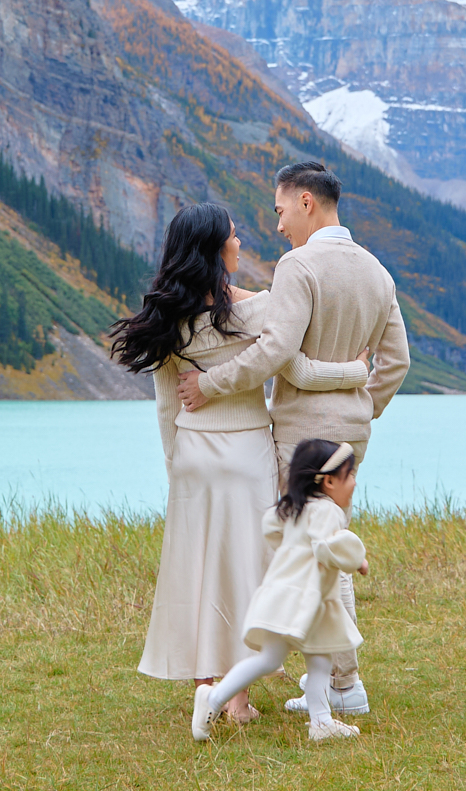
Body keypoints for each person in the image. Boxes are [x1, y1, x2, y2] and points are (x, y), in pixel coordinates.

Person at [111, 203, 370, 723]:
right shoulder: (258, 311)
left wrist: (175, 466)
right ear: (214, 249)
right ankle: (239, 702)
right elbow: (290, 364)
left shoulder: (166, 319)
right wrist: (354, 371)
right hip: (247, 445)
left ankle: (205, 686)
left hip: (192, 453)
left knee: (198, 570)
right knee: (244, 569)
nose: (240, 242)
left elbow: (167, 404)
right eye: (232, 236)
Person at [178, 161, 407, 717]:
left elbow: (276, 351)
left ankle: (344, 685)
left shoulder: (298, 266)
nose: (277, 225)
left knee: (312, 550)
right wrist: (360, 406)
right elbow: (397, 361)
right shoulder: (378, 272)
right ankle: (327, 682)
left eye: (281, 210)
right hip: (354, 429)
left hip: (303, 428)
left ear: (306, 202)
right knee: (326, 538)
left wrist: (210, 384)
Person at [192, 437, 369, 743]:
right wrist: (357, 559)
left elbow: (271, 526)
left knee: (318, 656)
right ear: (328, 481)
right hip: (302, 599)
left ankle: (321, 720)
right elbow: (326, 546)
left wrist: (291, 552)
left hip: (292, 595)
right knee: (273, 659)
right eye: (349, 476)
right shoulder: (328, 511)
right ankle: (213, 697)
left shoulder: (296, 507)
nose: (353, 482)